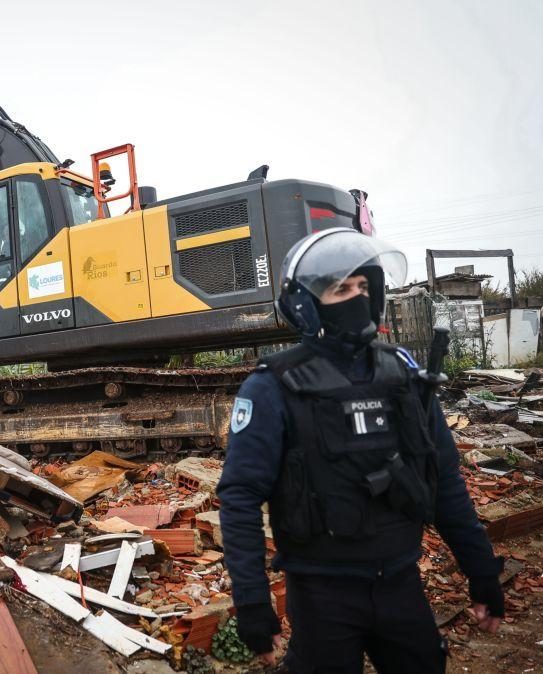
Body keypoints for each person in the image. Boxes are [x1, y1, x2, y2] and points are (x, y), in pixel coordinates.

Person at [216, 229, 504, 673]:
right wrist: (253, 602)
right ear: (305, 302)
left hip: (401, 585)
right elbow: (239, 497)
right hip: (320, 596)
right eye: (340, 288)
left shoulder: (403, 376)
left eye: (363, 287)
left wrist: (482, 574)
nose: (355, 297)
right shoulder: (273, 385)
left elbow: (444, 479)